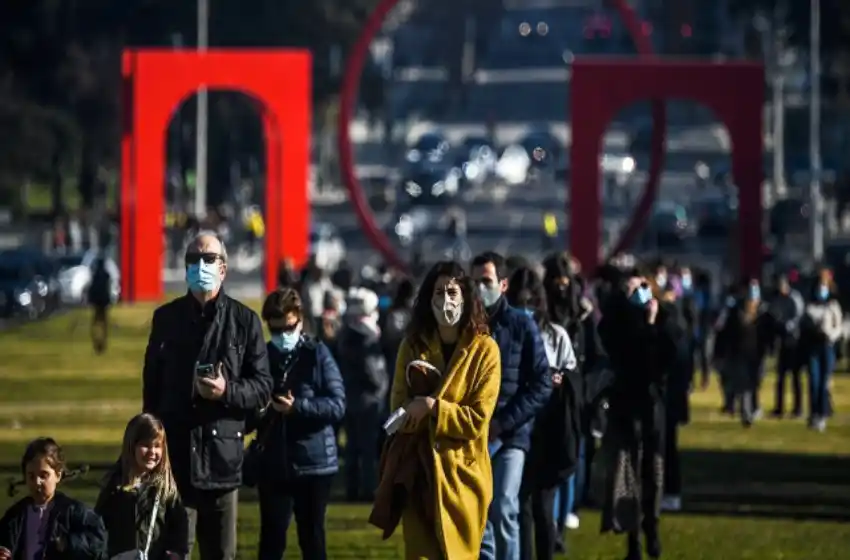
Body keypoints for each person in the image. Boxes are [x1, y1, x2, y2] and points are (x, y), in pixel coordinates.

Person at [142, 231, 273, 560]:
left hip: (222, 460)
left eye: (208, 259)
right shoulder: (166, 319)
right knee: (173, 551)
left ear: (223, 269)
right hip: (176, 457)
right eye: (192, 260)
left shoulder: (244, 322)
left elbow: (262, 387)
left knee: (220, 553)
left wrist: (226, 391)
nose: (200, 266)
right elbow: (152, 388)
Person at [369, 261, 501, 559]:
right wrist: (411, 413)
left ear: (466, 297)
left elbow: (477, 420)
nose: (446, 300)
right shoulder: (412, 345)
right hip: (419, 472)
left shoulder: (485, 350)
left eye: (453, 292)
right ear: (428, 298)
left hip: (463, 474)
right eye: (439, 292)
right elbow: (398, 409)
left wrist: (432, 407)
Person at [471, 252, 551, 560]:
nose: (480, 288)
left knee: (503, 505)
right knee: (479, 511)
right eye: (475, 281)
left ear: (503, 285)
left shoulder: (521, 324)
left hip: (510, 434)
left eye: (486, 281)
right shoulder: (467, 326)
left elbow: (541, 382)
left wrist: (504, 423)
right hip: (474, 433)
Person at [255, 287, 346, 559]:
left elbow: (337, 404)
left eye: (288, 328)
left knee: (312, 538)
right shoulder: (263, 356)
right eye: (275, 330)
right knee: (271, 540)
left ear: (300, 320)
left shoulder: (317, 355)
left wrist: (298, 407)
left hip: (314, 463)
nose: (283, 336)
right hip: (274, 461)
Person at [597, 270, 677, 560]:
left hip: (652, 409)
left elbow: (665, 359)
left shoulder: (663, 320)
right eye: (632, 288)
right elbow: (618, 351)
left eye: (643, 286)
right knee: (627, 475)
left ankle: (652, 527)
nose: (640, 292)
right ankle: (633, 539)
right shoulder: (615, 323)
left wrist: (652, 323)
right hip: (625, 407)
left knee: (653, 476)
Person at [506, 267, 580, 560]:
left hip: (549, 425)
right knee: (521, 503)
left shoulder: (556, 335)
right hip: (520, 425)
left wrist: (560, 380)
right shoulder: (507, 333)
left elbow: (574, 376)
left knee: (542, 504)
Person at [95, 414, 189, 559]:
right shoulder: (114, 487)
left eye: (157, 446)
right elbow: (98, 526)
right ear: (131, 446)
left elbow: (180, 525)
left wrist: (176, 552)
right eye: (146, 445)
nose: (152, 452)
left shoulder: (165, 489)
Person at [0, 438, 107, 560]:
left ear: (58, 475)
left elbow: (98, 545)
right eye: (31, 476)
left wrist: (67, 543)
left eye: (43, 475)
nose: (37, 482)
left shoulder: (75, 513)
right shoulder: (15, 516)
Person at [336, 287, 388, 502]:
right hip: (368, 400)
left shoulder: (346, 334)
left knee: (352, 448)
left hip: (350, 397)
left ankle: (352, 488)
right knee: (367, 449)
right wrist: (381, 384)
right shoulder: (366, 337)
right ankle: (367, 489)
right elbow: (372, 369)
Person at [714, 280, 772, 426]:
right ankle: (746, 413)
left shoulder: (764, 316)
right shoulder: (735, 314)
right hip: (740, 354)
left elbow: (768, 335)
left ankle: (753, 407)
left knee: (754, 383)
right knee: (744, 385)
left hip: (757, 355)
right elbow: (725, 333)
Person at [799, 274, 843, 432]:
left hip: (827, 346)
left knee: (824, 382)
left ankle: (823, 414)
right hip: (813, 347)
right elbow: (804, 324)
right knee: (814, 381)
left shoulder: (833, 305)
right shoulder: (810, 306)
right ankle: (814, 414)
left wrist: (830, 335)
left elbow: (839, 327)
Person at [768, 273, 805, 417]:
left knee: (796, 376)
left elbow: (798, 317)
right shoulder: (777, 299)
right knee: (781, 377)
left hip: (794, 341)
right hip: (782, 341)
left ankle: (798, 408)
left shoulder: (794, 298)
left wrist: (786, 326)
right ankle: (779, 407)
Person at [87, 256, 114, 354]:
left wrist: (90, 300)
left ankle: (96, 341)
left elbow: (92, 289)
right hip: (104, 302)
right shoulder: (106, 275)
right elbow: (108, 289)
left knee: (95, 322)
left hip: (96, 302)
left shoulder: (95, 275)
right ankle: (103, 341)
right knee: (104, 323)